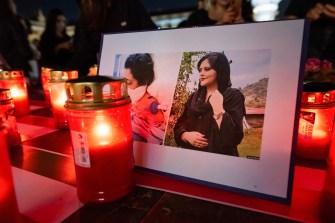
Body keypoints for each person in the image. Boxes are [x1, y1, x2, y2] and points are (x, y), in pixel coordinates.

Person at [174, 52, 245, 156]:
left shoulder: (233, 96)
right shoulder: (194, 97)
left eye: (207, 69)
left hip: (219, 161)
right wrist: (185, 136)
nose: (201, 73)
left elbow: (234, 138)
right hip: (191, 159)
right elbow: (179, 125)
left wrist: (218, 109)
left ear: (220, 71)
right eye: (200, 70)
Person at [67, 0, 157, 77]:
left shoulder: (128, 4)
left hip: (138, 72)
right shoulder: (86, 15)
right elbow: (82, 55)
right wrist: (66, 75)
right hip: (105, 80)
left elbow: (153, 36)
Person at [123, 53, 166, 144]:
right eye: (123, 81)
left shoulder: (152, 105)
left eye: (129, 82)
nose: (125, 86)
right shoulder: (128, 101)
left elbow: (158, 139)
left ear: (143, 81)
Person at [0, 0, 33, 76]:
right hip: (17, 64)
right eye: (13, 2)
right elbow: (20, 44)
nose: (15, 5)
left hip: (11, 65)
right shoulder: (12, 23)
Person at [178, 0, 246, 27]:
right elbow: (195, 37)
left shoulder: (240, 13)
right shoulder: (198, 16)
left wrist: (243, 24)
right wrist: (221, 22)